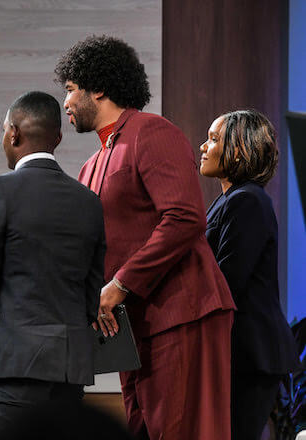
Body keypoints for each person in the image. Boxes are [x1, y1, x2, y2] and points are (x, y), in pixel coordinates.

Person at [55, 36, 236, 439]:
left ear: (97, 87)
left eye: (69, 90)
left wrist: (120, 284)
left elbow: (185, 219)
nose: (65, 103)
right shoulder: (90, 165)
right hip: (132, 330)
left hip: (181, 314)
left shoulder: (151, 131)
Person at [0, 91, 106, 440]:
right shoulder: (89, 201)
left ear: (14, 134)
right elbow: (93, 291)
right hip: (70, 372)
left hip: (16, 370)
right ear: (58, 138)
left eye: (5, 131)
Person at [199, 110, 299, 440]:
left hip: (250, 354)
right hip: (241, 354)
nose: (203, 146)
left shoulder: (247, 201)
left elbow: (227, 280)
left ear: (239, 150)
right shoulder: (231, 199)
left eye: (213, 139)